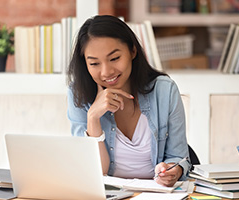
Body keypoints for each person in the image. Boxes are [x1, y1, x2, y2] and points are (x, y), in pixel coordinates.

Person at [67, 15, 190, 187]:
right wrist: (93, 118)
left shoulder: (164, 90)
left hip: (156, 195)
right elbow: (94, 173)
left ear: (133, 51)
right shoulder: (78, 94)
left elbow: (179, 157)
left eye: (115, 58)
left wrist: (171, 171)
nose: (106, 72)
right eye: (94, 63)